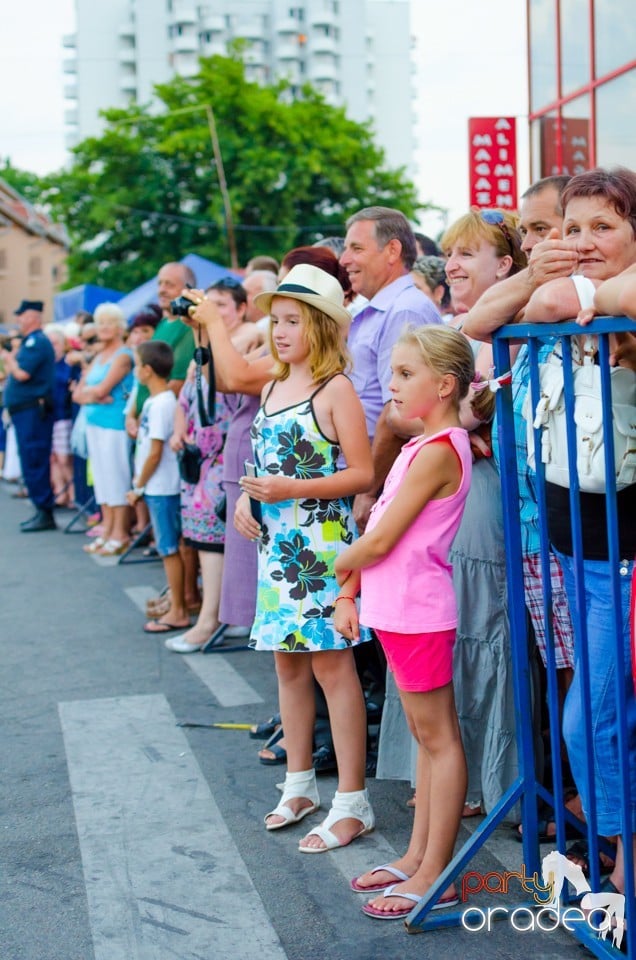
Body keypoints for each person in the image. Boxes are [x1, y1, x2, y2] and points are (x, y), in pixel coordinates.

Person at [231, 264, 376, 851]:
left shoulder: (334, 388)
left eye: (293, 320)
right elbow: (267, 463)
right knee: (286, 667)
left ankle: (353, 799)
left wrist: (291, 491)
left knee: (331, 669)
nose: (281, 331)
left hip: (321, 548)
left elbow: (364, 473)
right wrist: (247, 495)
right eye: (276, 320)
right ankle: (299, 785)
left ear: (320, 326)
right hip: (278, 549)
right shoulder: (269, 386)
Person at [521, 166, 636, 899]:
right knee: (593, 720)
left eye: (605, 227)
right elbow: (474, 323)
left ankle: (626, 868)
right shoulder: (574, 303)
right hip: (580, 552)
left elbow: (557, 297)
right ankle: (619, 860)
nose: (583, 242)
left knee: (591, 721)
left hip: (625, 559)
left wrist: (575, 289)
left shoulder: (609, 305)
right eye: (574, 227)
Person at [333, 324, 474, 918]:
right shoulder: (419, 447)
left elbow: (381, 537)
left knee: (439, 740)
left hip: (419, 613)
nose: (390, 384)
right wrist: (352, 586)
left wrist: (338, 564)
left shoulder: (440, 451)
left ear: (444, 386)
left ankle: (439, 870)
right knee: (424, 737)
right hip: (398, 612)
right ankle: (418, 857)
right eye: (392, 372)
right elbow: (380, 528)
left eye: (405, 375)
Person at [340, 206, 441, 532]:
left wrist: (369, 491)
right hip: (365, 479)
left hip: (379, 484)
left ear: (393, 251)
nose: (344, 259)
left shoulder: (404, 309)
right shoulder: (381, 308)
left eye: (356, 248)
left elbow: (399, 412)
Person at [128, 340, 190, 634]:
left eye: (137, 365)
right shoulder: (156, 401)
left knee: (168, 549)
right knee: (171, 547)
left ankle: (178, 609)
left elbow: (155, 452)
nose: (135, 371)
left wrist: (138, 486)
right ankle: (181, 600)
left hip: (162, 486)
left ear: (147, 370)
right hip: (157, 486)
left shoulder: (164, 402)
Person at [73, 303, 134, 555]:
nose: (104, 327)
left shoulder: (123, 355)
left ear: (120, 327)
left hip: (114, 425)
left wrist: (95, 394)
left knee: (116, 477)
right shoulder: (98, 356)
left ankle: (120, 533)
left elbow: (100, 390)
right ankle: (107, 529)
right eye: (100, 322)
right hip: (94, 423)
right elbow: (78, 394)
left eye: (110, 322)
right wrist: (95, 396)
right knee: (101, 478)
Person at [1, 300, 56, 531]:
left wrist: (9, 359)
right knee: (30, 459)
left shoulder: (36, 342)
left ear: (33, 317)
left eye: (22, 316)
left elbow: (23, 374)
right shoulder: (30, 342)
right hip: (25, 411)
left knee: (34, 458)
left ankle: (44, 510)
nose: (19, 320)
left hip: (33, 411)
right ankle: (39, 508)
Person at [45, 325, 80, 508]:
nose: (53, 347)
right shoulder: (47, 365)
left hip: (63, 415)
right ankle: (61, 492)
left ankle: (73, 493)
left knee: (65, 457)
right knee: (54, 457)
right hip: (49, 416)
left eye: (55, 343)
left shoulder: (68, 364)